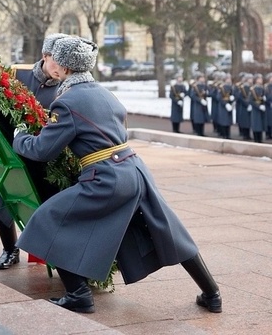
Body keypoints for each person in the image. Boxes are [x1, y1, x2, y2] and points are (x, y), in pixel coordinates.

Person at [12, 36, 222, 314]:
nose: (49, 62)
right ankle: (212, 294)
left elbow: (42, 150)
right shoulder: (104, 91)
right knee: (170, 231)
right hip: (135, 169)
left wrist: (19, 137)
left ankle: (78, 295)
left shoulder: (67, 101)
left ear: (63, 66)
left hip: (106, 177)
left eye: (53, 59)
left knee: (48, 220)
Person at [0, 33, 66, 270]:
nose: (62, 68)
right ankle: (9, 249)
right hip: (13, 150)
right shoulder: (16, 75)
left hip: (45, 156)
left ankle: (54, 251)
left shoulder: (66, 86)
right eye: (57, 61)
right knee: (0, 196)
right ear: (45, 56)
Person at [215, 73, 235, 139]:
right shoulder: (221, 87)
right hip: (223, 106)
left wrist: (232, 99)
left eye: (230, 78)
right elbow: (219, 97)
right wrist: (225, 104)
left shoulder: (231, 87)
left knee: (228, 122)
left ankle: (228, 135)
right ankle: (224, 135)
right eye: (228, 79)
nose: (229, 80)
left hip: (229, 105)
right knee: (224, 121)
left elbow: (232, 95)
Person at [249, 74, 266, 143]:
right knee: (256, 124)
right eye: (259, 79)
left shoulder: (262, 88)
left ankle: (260, 138)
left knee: (261, 125)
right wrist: (259, 106)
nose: (261, 80)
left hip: (262, 109)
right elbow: (251, 100)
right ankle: (256, 139)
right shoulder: (253, 89)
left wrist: (264, 101)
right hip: (256, 109)